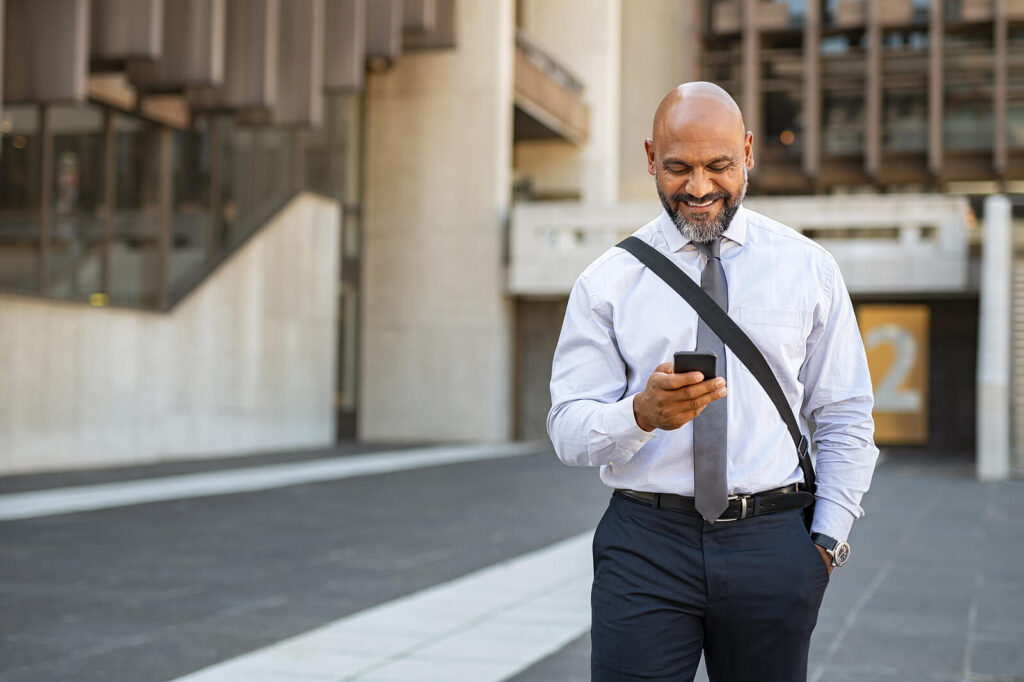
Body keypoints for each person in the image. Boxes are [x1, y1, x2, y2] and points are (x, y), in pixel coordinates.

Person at [547, 82, 878, 681]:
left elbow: (845, 415)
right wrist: (640, 414)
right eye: (677, 168)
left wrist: (826, 542)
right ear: (651, 159)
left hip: (773, 542)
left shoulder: (808, 269)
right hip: (645, 542)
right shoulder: (607, 281)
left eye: (718, 166)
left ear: (748, 152)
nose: (698, 189)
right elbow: (567, 429)